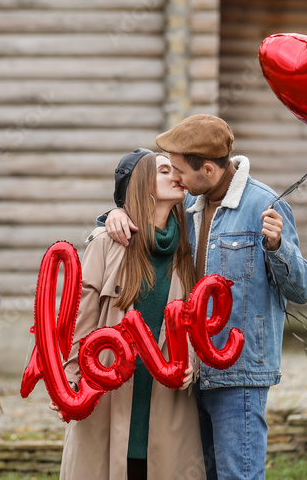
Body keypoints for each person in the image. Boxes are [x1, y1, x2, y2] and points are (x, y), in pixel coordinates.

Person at [105, 115, 307, 480]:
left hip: (238, 376)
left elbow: (302, 288)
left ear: (208, 170)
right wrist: (110, 216)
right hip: (188, 372)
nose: (177, 180)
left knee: (239, 475)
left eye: (182, 171)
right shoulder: (187, 208)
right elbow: (146, 219)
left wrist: (279, 246)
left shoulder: (264, 206)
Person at [58, 149, 206, 480]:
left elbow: (197, 325)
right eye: (165, 171)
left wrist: (193, 364)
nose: (176, 176)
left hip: (168, 410)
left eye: (175, 170)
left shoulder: (188, 248)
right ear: (142, 185)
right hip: (107, 405)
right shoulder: (105, 243)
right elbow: (78, 320)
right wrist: (68, 385)